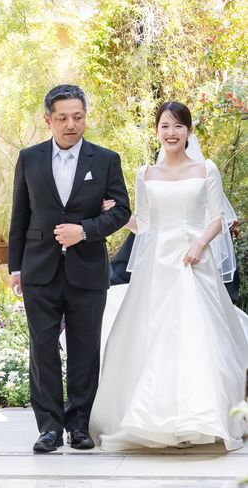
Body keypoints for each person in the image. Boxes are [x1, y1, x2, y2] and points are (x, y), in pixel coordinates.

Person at [89, 101, 248, 451]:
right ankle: (151, 417)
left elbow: (218, 217)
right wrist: (117, 215)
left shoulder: (206, 169)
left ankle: (202, 417)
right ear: (156, 131)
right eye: (165, 126)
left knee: (197, 335)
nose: (171, 132)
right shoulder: (146, 174)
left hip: (194, 261)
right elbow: (144, 224)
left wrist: (199, 245)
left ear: (189, 131)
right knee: (153, 335)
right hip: (156, 265)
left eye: (178, 126)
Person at [8, 84, 131, 453]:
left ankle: (79, 425)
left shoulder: (105, 160)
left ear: (85, 117)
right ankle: (48, 428)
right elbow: (19, 215)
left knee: (84, 350)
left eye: (77, 117)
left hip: (87, 270)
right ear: (48, 120)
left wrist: (85, 231)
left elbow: (122, 212)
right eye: (62, 118)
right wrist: (15, 267)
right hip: (39, 269)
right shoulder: (29, 158)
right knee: (42, 349)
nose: (70, 124)